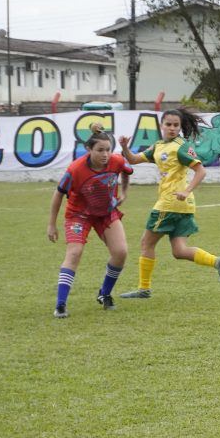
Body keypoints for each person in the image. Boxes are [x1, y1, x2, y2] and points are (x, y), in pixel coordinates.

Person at [118, 108, 220, 299]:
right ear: (161, 125)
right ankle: (219, 262)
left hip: (170, 203)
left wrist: (186, 190)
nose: (172, 128)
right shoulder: (158, 146)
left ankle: (143, 289)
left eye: (175, 125)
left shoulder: (180, 146)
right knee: (179, 251)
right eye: (168, 124)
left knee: (146, 243)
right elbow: (133, 159)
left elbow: (201, 171)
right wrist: (124, 147)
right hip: (183, 206)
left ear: (180, 127)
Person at [47, 123, 132, 318]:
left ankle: (105, 294)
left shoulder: (116, 161)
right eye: (100, 150)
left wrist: (124, 192)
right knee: (74, 253)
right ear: (88, 149)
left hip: (106, 213)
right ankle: (60, 305)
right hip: (79, 215)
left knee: (120, 252)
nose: (105, 154)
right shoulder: (75, 170)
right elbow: (58, 194)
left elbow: (126, 172)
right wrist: (51, 225)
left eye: (108, 149)